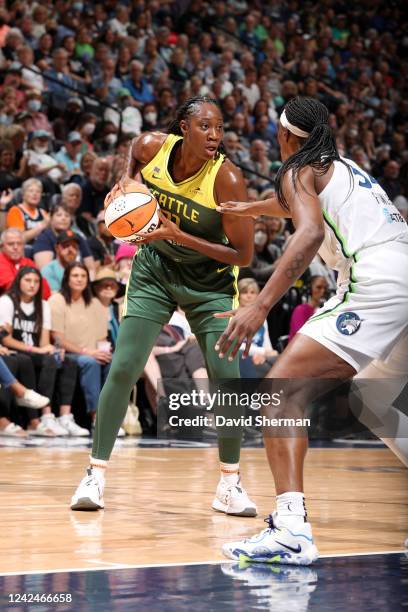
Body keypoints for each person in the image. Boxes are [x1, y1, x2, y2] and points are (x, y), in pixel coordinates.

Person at [215, 96, 408, 565]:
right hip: (403, 272)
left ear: (285, 137)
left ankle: (291, 529)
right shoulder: (339, 166)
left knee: (280, 395)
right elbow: (300, 206)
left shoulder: (296, 167)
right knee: (375, 401)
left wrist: (260, 305)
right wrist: (250, 208)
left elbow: (309, 231)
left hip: (375, 281)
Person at [70, 96, 256, 516]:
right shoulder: (155, 147)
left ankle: (229, 483)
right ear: (183, 128)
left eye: (220, 128)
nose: (214, 135)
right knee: (124, 365)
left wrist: (177, 234)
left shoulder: (226, 179)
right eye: (205, 127)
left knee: (226, 379)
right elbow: (134, 147)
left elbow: (243, 256)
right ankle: (94, 475)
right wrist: (125, 181)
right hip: (154, 269)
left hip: (209, 284)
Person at [0, 266, 83, 436]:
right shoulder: (7, 301)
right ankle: (38, 417)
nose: (32, 285)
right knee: (28, 360)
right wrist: (37, 349)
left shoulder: (43, 305)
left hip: (34, 350)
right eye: (28, 280)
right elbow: (5, 338)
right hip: (14, 350)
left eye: (36, 281)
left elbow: (45, 341)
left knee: (67, 360)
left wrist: (51, 349)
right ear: (19, 282)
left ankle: (59, 417)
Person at [48, 263, 114, 430]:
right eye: (75, 275)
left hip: (92, 352)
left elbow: (102, 337)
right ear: (67, 279)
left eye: (83, 276)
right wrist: (88, 352)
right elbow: (57, 338)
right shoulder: (57, 300)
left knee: (112, 362)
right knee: (90, 362)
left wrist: (104, 352)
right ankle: (96, 418)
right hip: (69, 353)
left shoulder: (95, 303)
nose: (79, 279)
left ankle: (110, 415)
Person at [0, 228, 50, 298]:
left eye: (19, 244)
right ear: (2, 247)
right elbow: (12, 287)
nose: (15, 247)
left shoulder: (28, 262)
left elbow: (45, 290)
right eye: (10, 244)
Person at [288, 276, 329, 341]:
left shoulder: (327, 310)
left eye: (325, 288)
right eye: (319, 287)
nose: (323, 291)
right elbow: (302, 338)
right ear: (309, 289)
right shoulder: (300, 310)